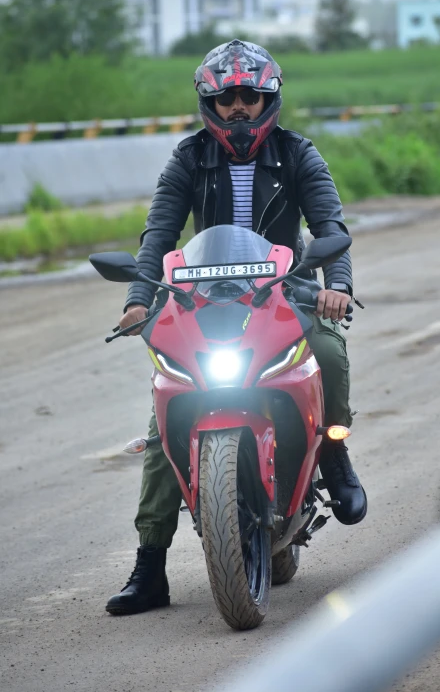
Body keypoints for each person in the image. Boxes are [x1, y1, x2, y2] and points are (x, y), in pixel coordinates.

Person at [106, 39, 367, 616]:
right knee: (164, 413)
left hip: (284, 290)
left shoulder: (299, 153)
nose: (239, 109)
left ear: (268, 98)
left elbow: (330, 225)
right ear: (209, 103)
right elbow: (159, 237)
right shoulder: (187, 158)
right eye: (227, 100)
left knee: (328, 348)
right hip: (202, 298)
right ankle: (150, 567)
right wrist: (138, 299)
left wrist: (337, 287)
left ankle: (333, 453)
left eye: (250, 97)